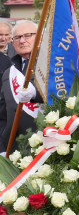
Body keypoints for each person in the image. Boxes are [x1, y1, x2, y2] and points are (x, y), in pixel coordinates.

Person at [0, 20, 39, 150]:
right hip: (14, 148)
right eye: (17, 37)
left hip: (46, 146)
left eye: (28, 35)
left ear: (40, 37)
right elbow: (2, 115)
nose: (22, 41)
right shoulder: (8, 73)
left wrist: (35, 94)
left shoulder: (54, 68)